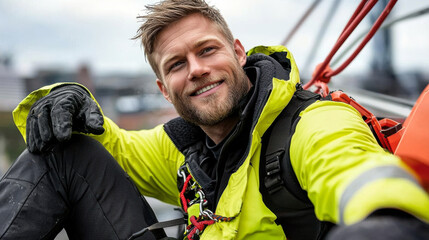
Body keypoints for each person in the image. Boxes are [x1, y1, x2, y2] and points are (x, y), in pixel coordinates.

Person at [1, 0, 429, 239]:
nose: (197, 69)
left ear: (239, 53)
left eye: (207, 50)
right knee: (63, 154)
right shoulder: (183, 146)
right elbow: (111, 148)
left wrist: (386, 219)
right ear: (164, 90)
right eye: (177, 65)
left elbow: (353, 169)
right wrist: (62, 97)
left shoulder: (309, 126)